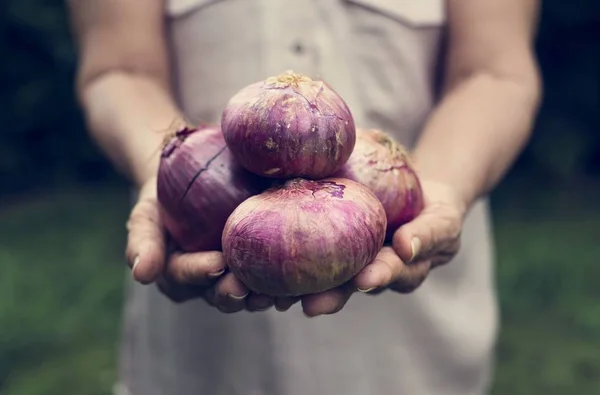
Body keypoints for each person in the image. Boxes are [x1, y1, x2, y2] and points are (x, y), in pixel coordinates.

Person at [67, 0, 541, 394]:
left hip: (406, 306)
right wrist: (166, 174)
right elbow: (118, 69)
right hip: (200, 324)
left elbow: (495, 73)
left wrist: (443, 189)